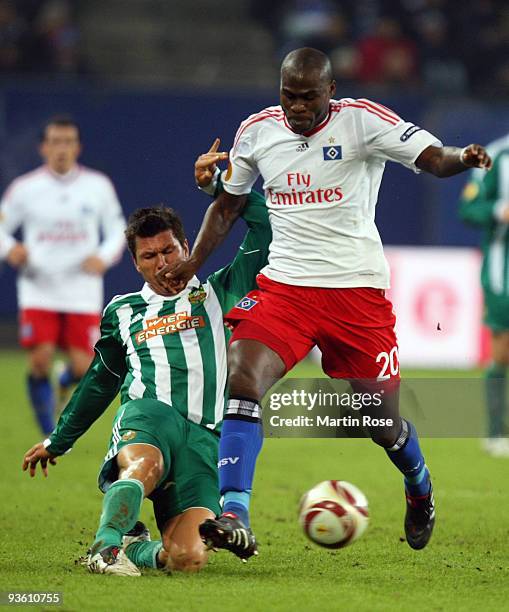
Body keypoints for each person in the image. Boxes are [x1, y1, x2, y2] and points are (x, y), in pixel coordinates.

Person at [165, 47, 492, 559]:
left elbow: (432, 158)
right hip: (286, 288)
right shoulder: (257, 131)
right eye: (288, 96)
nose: (296, 107)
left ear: (330, 92)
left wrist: (462, 159)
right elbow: (227, 206)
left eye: (308, 97)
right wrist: (192, 264)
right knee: (243, 376)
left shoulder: (363, 122)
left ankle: (419, 483)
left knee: (381, 421)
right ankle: (234, 513)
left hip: (356, 293)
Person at [21, 140, 272, 575]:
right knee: (145, 463)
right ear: (136, 263)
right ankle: (104, 548)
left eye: (169, 251)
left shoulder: (219, 291)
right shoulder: (123, 311)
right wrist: (57, 440)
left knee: (187, 558)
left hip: (204, 437)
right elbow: (101, 381)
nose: (161, 263)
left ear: (187, 244)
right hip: (149, 415)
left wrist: (222, 190)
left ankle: (137, 547)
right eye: (149, 256)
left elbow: (266, 230)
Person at [0, 115, 126, 436]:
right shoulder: (25, 189)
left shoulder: (97, 186)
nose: (62, 149)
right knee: (40, 358)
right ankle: (48, 429)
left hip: (82, 289)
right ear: (44, 147)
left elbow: (116, 230)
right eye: (55, 142)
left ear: (78, 147)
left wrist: (103, 256)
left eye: (68, 142)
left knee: (85, 368)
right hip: (38, 286)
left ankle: (64, 381)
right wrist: (10, 248)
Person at [459, 133, 509, 458]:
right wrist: (499, 211)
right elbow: (468, 208)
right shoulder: (497, 156)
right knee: (503, 351)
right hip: (503, 270)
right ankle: (495, 432)